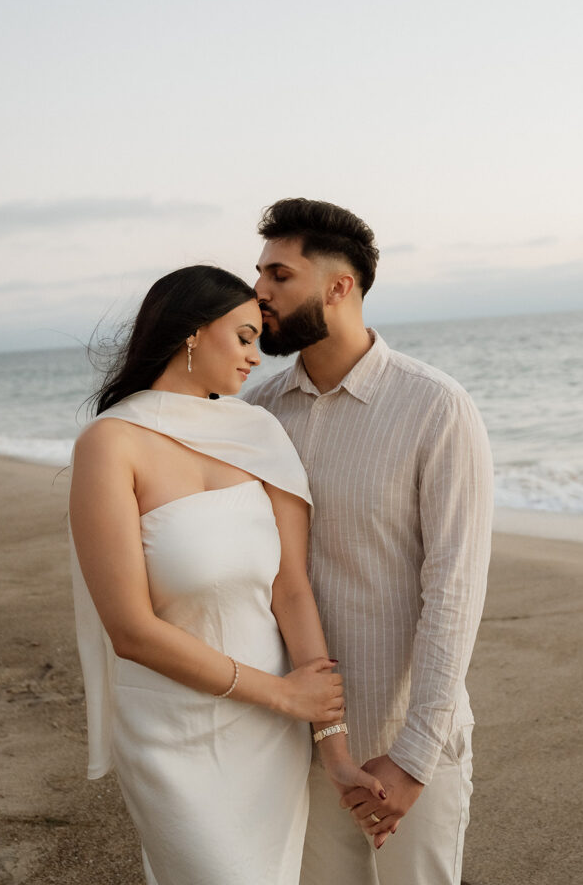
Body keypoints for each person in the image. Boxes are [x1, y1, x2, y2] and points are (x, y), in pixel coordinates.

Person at [69, 265, 384, 885]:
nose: (254, 358)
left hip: (270, 738)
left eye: (257, 342)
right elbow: (129, 630)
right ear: (191, 332)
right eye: (242, 337)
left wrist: (336, 748)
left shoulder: (258, 435)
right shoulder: (111, 444)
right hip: (172, 732)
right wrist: (280, 694)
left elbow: (291, 589)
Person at [245, 199, 493, 885]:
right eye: (258, 273)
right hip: (298, 745)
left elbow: (453, 590)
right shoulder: (257, 414)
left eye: (278, 274)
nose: (259, 292)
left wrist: (414, 756)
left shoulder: (434, 407)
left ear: (337, 287)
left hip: (410, 739)